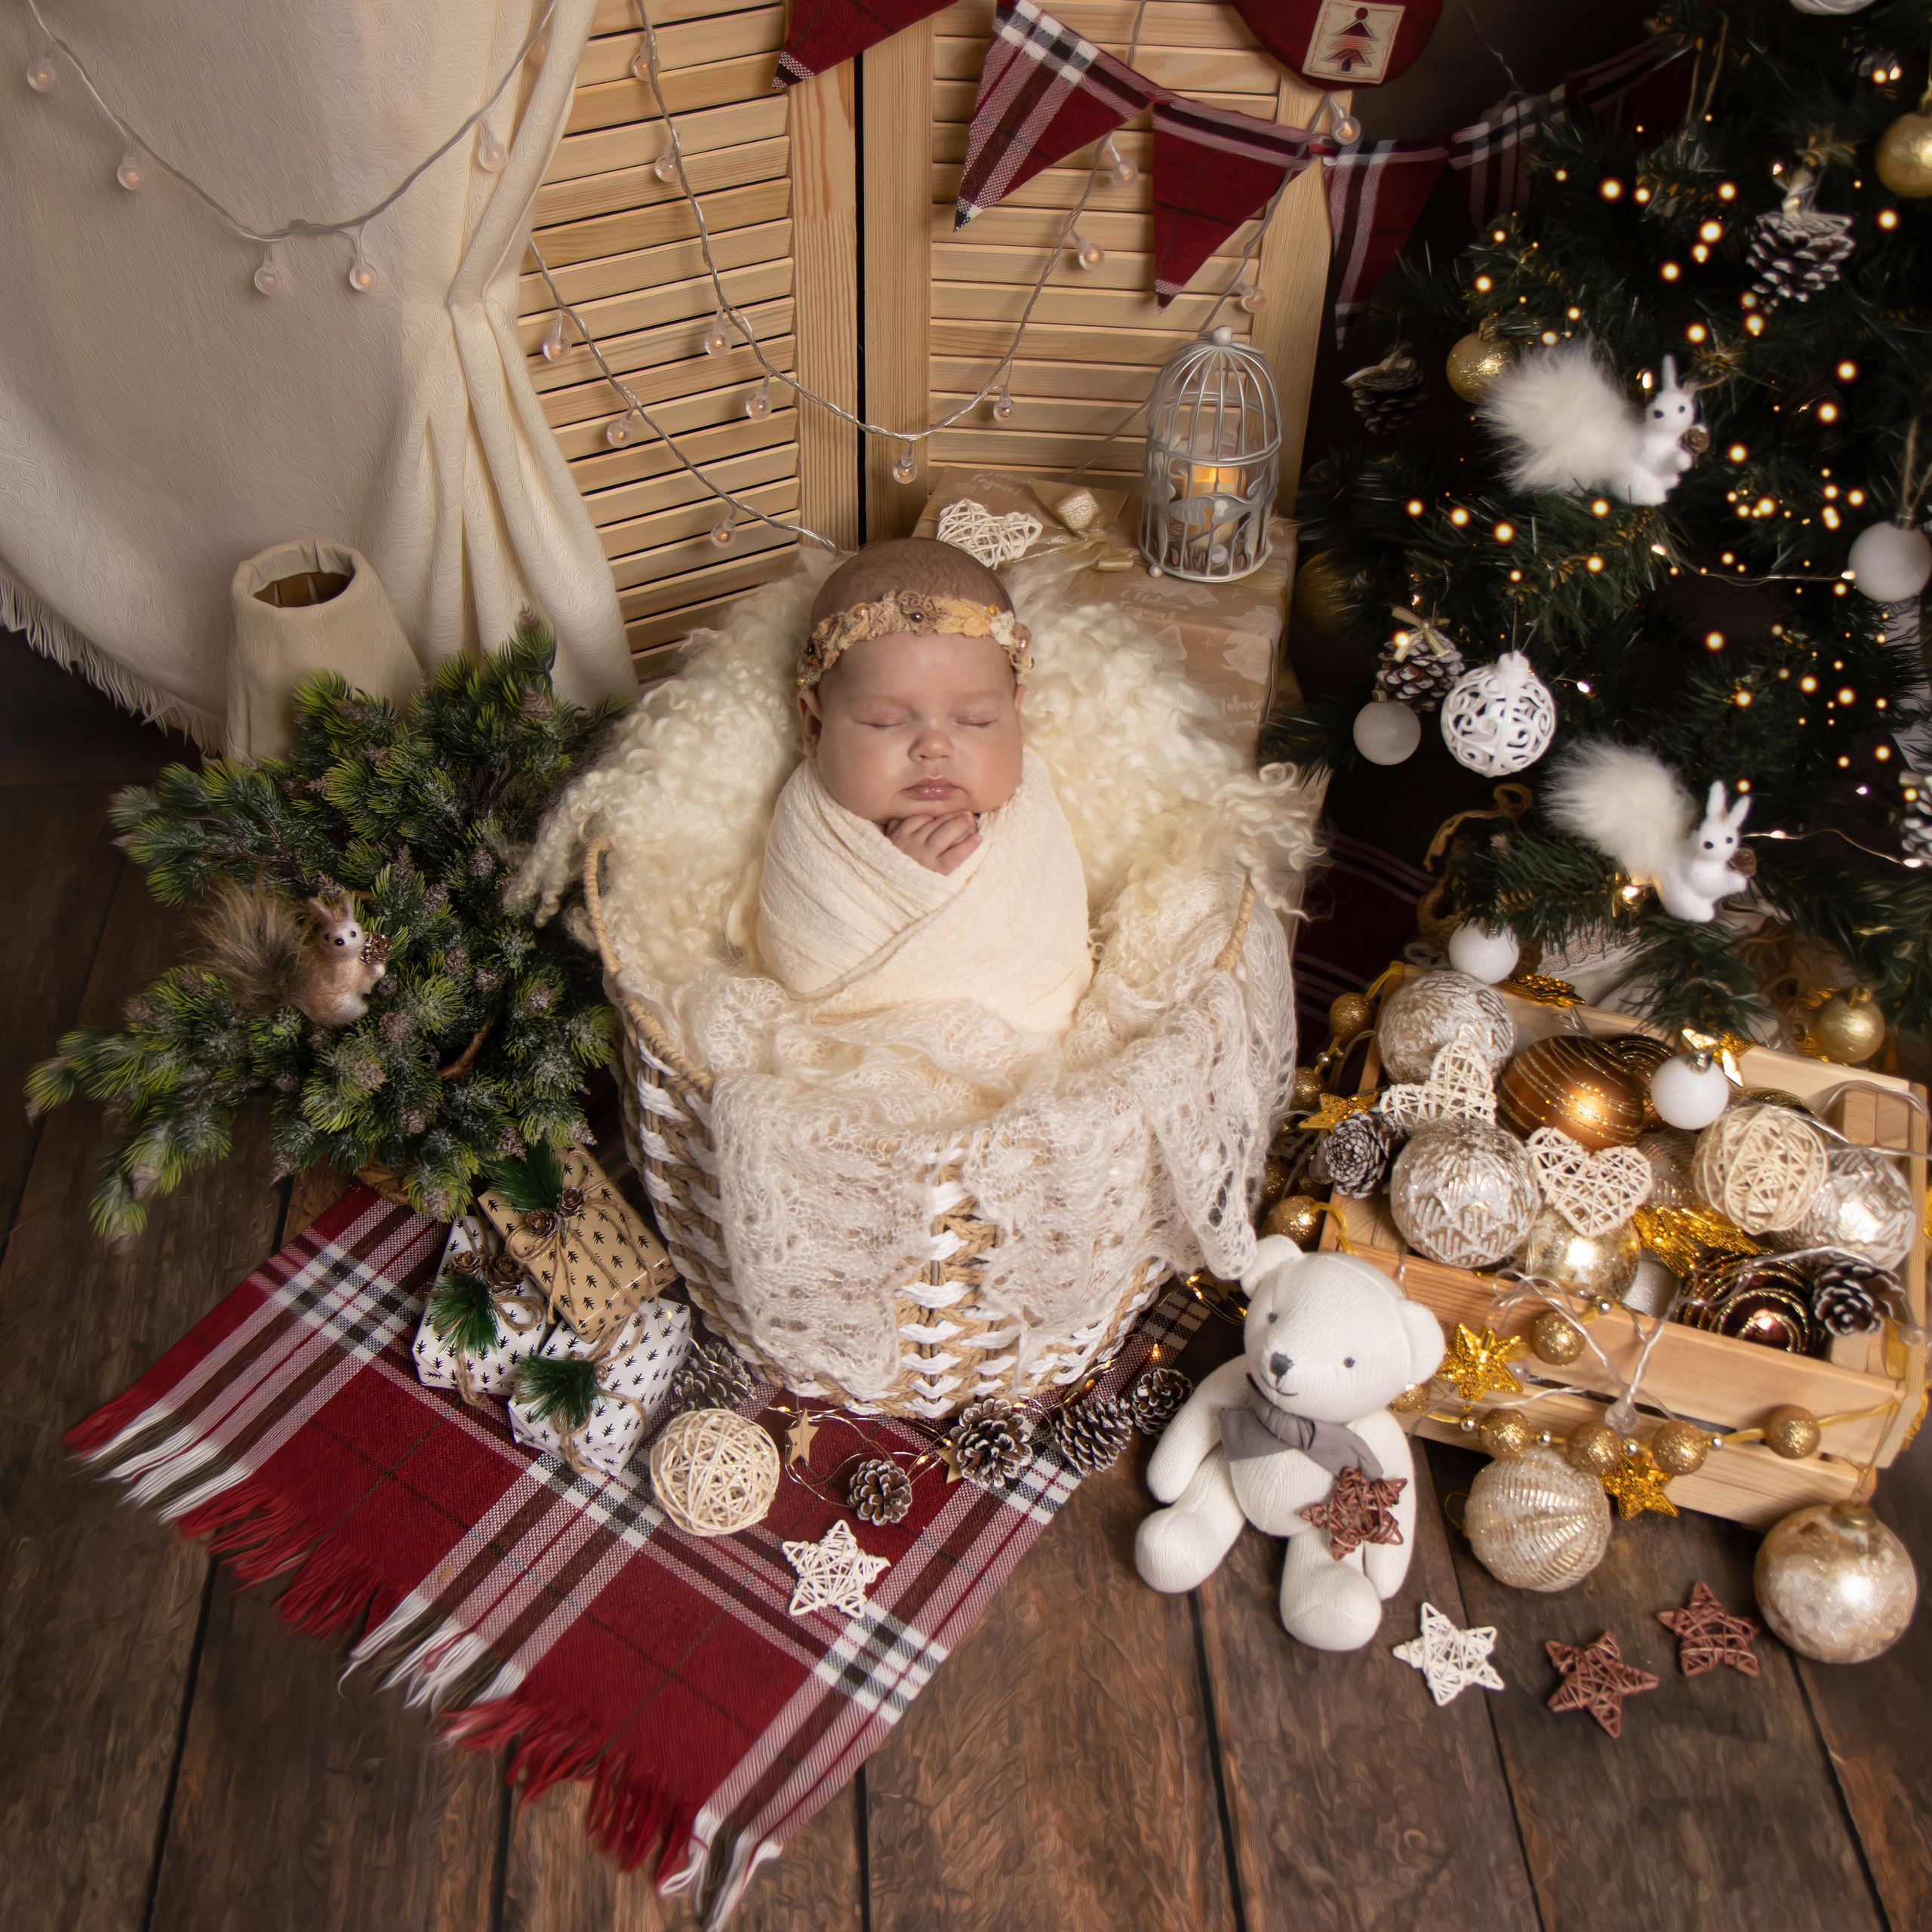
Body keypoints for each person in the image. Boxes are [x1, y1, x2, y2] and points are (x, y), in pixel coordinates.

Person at [755, 537, 1093, 1035]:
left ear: (1015, 719)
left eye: (976, 721)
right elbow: (802, 968)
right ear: (814, 728)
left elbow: (1053, 936)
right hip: (858, 1047)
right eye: (885, 722)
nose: (933, 748)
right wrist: (904, 876)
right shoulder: (812, 822)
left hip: (1035, 1035)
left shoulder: (1030, 808)